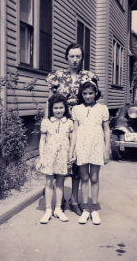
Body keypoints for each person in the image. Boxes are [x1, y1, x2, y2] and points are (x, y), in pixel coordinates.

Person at [45, 43, 93, 216]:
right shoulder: (57, 77)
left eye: (78, 56)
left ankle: (74, 200)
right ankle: (60, 201)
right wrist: (47, 122)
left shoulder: (88, 77)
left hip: (81, 125)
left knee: (77, 161)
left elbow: (91, 100)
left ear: (82, 58)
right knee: (60, 159)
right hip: (61, 124)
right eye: (71, 56)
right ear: (66, 57)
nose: (75, 60)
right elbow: (50, 101)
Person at [70, 73, 110, 225]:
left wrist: (107, 149)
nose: (88, 96)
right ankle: (85, 209)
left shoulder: (102, 108)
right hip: (81, 146)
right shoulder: (76, 109)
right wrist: (72, 149)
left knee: (94, 178)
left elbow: (106, 130)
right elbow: (74, 131)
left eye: (91, 93)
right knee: (84, 178)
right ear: (81, 94)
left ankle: (94, 209)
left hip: (96, 146)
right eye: (85, 93)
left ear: (96, 93)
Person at [36, 93, 73, 224]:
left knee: (60, 183)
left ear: (65, 108)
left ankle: (58, 209)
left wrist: (71, 154)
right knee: (49, 182)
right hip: (49, 155)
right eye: (56, 108)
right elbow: (42, 140)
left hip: (63, 155)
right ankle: (48, 210)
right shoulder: (46, 122)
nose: (58, 110)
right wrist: (41, 158)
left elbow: (71, 139)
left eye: (61, 108)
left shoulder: (69, 122)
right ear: (51, 108)